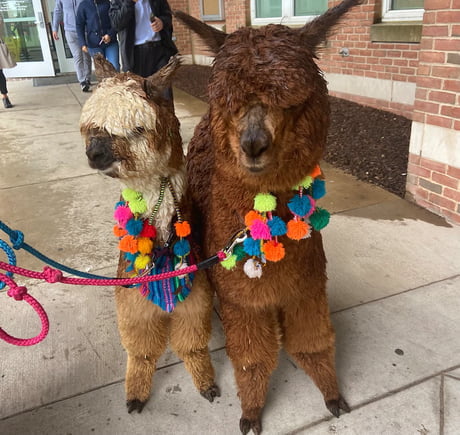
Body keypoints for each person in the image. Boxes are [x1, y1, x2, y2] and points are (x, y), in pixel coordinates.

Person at [109, 0, 177, 78]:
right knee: (140, 88)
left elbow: (167, 15)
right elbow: (116, 24)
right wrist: (129, 2)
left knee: (164, 88)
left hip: (159, 50)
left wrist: (162, 22)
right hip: (135, 55)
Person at [52, 0, 92, 92]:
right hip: (70, 31)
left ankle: (87, 78)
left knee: (86, 55)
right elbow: (58, 11)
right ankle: (82, 81)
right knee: (77, 55)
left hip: (85, 30)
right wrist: (55, 28)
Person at [76, 0, 120, 71]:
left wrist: (110, 34)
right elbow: (79, 25)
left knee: (115, 66)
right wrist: (82, 43)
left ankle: (115, 82)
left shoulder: (108, 3)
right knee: (102, 71)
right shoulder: (83, 5)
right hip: (94, 45)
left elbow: (116, 21)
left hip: (111, 42)